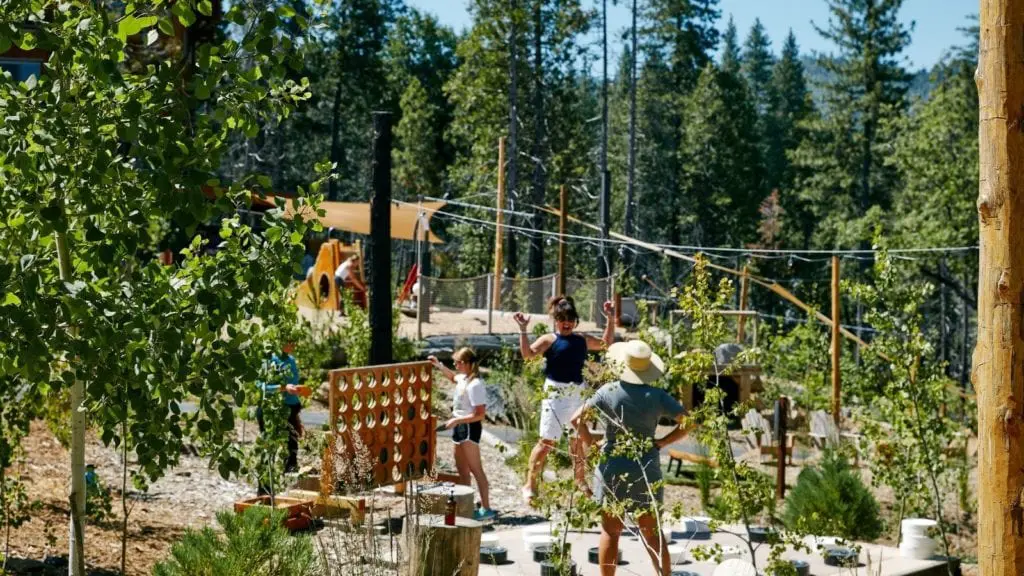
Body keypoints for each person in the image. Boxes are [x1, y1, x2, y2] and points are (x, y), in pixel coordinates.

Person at [571, 340, 693, 576]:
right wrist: (663, 442)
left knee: (610, 532)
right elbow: (690, 422)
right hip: (646, 467)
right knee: (651, 533)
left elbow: (576, 420)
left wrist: (592, 443)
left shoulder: (607, 392)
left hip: (612, 465)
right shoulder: (657, 395)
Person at [513, 295, 615, 506]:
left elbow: (606, 344)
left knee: (576, 440)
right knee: (547, 442)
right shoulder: (549, 340)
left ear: (575, 320)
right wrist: (523, 329)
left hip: (576, 391)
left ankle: (580, 480)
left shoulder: (581, 339)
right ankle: (529, 484)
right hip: (555, 393)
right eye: (562, 319)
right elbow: (527, 355)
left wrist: (610, 319)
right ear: (556, 320)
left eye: (570, 319)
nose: (566, 323)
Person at [428, 348, 497, 521]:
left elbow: (480, 414)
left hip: (468, 428)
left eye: (458, 362)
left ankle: (487, 508)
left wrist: (457, 421)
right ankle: (467, 506)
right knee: (462, 470)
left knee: (476, 469)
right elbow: (452, 377)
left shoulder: (475, 385)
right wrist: (439, 365)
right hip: (458, 427)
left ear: (467, 363)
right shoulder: (463, 378)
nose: (455, 365)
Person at [256, 341, 305, 495]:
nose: (293, 345)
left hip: (290, 409)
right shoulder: (269, 360)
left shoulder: (291, 360)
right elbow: (261, 385)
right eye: (290, 342)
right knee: (269, 449)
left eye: (294, 342)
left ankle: (290, 490)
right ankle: (264, 490)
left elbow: (293, 385)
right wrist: (283, 388)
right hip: (271, 410)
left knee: (292, 449)